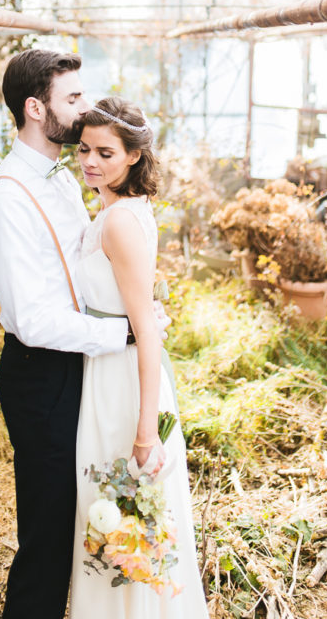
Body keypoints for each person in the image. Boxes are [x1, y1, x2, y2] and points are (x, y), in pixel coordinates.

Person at [0, 49, 166, 619]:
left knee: (90, 519)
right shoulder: (6, 198)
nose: (85, 108)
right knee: (48, 537)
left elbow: (89, 271)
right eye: (73, 99)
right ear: (36, 108)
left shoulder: (63, 178)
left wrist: (135, 302)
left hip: (83, 364)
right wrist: (128, 335)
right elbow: (34, 319)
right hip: (41, 375)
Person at [70, 96, 209, 619]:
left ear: (132, 156)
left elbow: (145, 332)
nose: (90, 161)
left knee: (122, 522)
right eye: (83, 149)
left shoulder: (120, 221)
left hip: (122, 387)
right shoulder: (114, 206)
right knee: (115, 527)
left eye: (105, 152)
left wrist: (146, 432)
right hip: (103, 373)